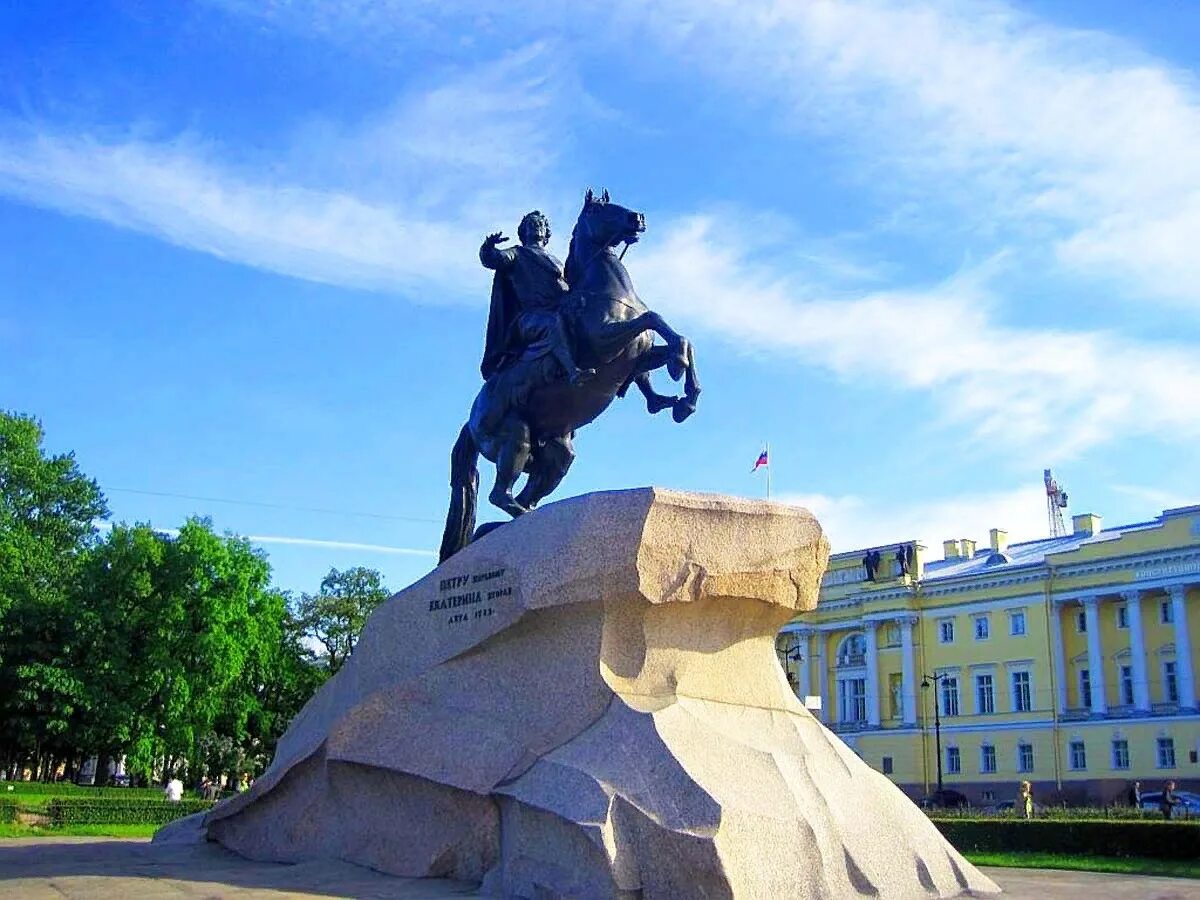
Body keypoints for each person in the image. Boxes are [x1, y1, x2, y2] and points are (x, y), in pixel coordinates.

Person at [479, 211, 595, 387]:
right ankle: (573, 371)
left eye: (540, 224)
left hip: (560, 308)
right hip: (531, 318)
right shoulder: (517, 254)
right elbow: (494, 259)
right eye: (531, 224)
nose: (536, 226)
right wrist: (488, 247)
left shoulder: (556, 260)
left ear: (546, 232)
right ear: (524, 232)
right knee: (553, 323)